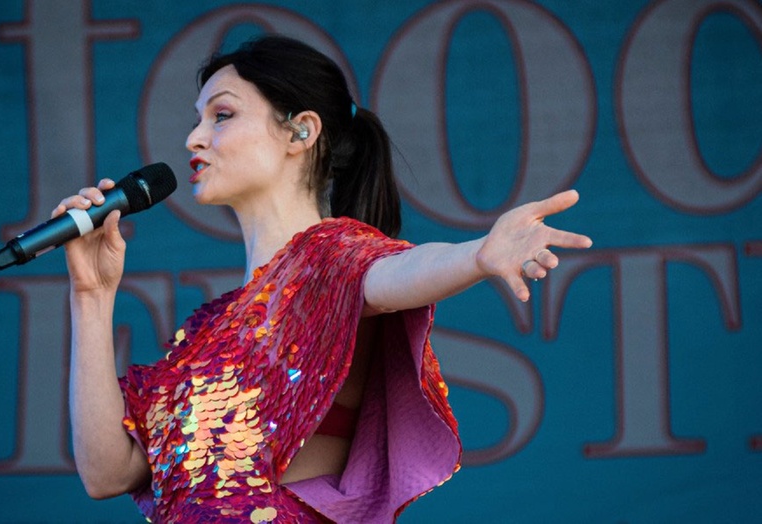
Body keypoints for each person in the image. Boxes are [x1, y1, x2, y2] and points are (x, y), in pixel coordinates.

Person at [52, 35, 592, 523]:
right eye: (196, 120)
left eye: (221, 115)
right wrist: (91, 297)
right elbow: (107, 473)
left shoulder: (329, 257)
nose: (194, 138)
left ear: (300, 131)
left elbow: (390, 273)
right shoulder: (208, 329)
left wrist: (478, 254)